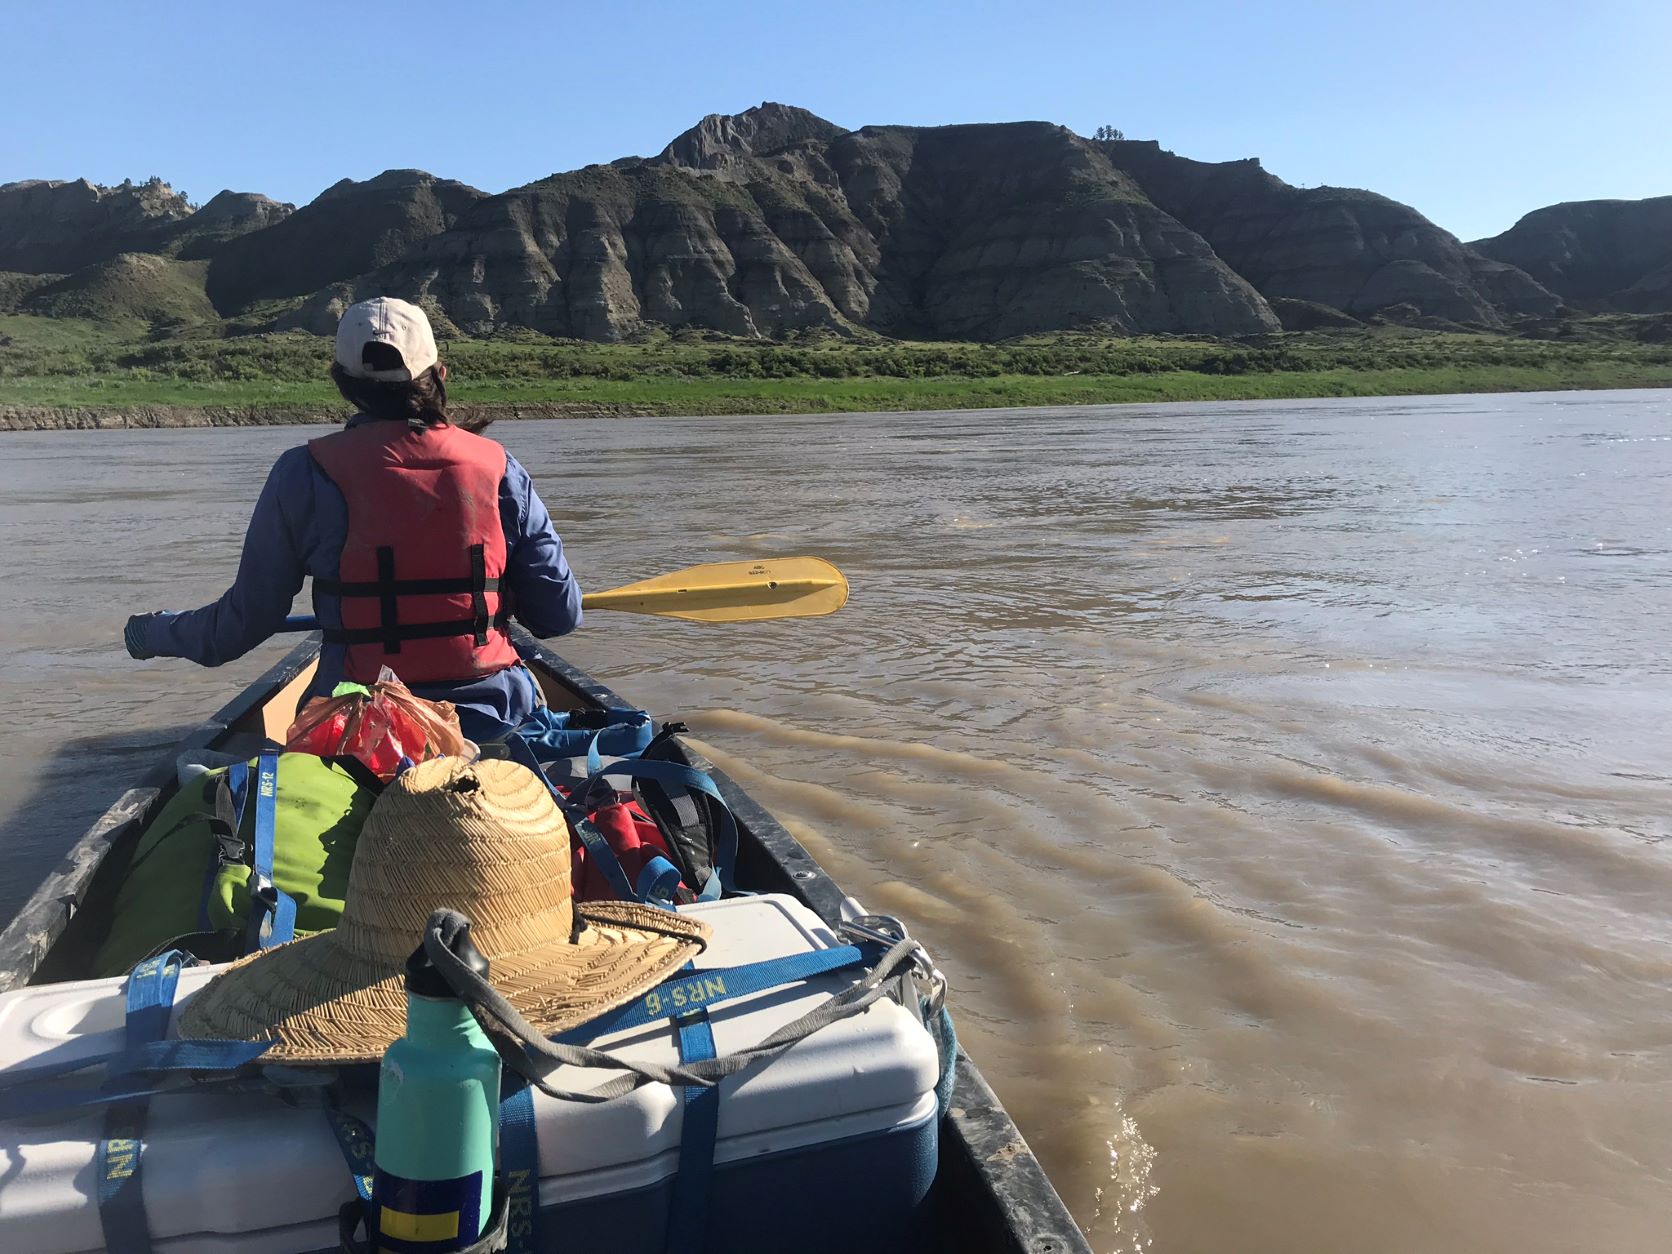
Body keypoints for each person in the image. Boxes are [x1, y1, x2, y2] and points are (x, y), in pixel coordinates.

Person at [124, 296, 582, 741]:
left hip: (360, 730)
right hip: (499, 716)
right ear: (439, 375)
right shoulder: (501, 468)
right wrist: (500, 598)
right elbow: (559, 616)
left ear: (342, 383)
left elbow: (238, 627)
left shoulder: (302, 472)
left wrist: (156, 631)